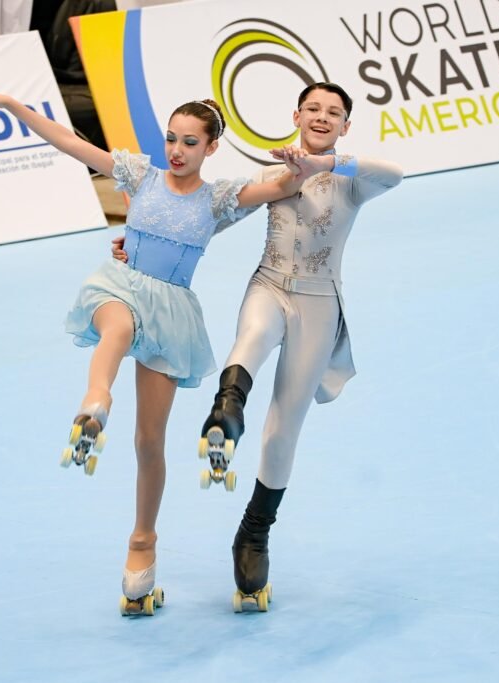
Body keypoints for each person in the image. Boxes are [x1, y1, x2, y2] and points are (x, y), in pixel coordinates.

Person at [0, 87, 311, 615]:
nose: (177, 150)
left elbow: (284, 186)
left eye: (190, 142)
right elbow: (70, 143)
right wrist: (13, 106)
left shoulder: (217, 200)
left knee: (150, 441)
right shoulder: (139, 176)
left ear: (210, 148)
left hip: (170, 315)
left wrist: (300, 165)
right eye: (171, 138)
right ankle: (96, 401)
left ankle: (142, 543)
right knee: (115, 326)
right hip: (122, 285)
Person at [116, 82, 404, 611]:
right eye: (313, 108)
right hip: (268, 285)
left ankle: (254, 534)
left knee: (283, 428)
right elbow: (202, 218)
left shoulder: (351, 180)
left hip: (320, 304)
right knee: (251, 335)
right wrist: (138, 244)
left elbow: (396, 173)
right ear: (295, 115)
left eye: (334, 112)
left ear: (345, 126)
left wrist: (333, 163)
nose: (322, 116)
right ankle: (226, 410)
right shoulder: (271, 177)